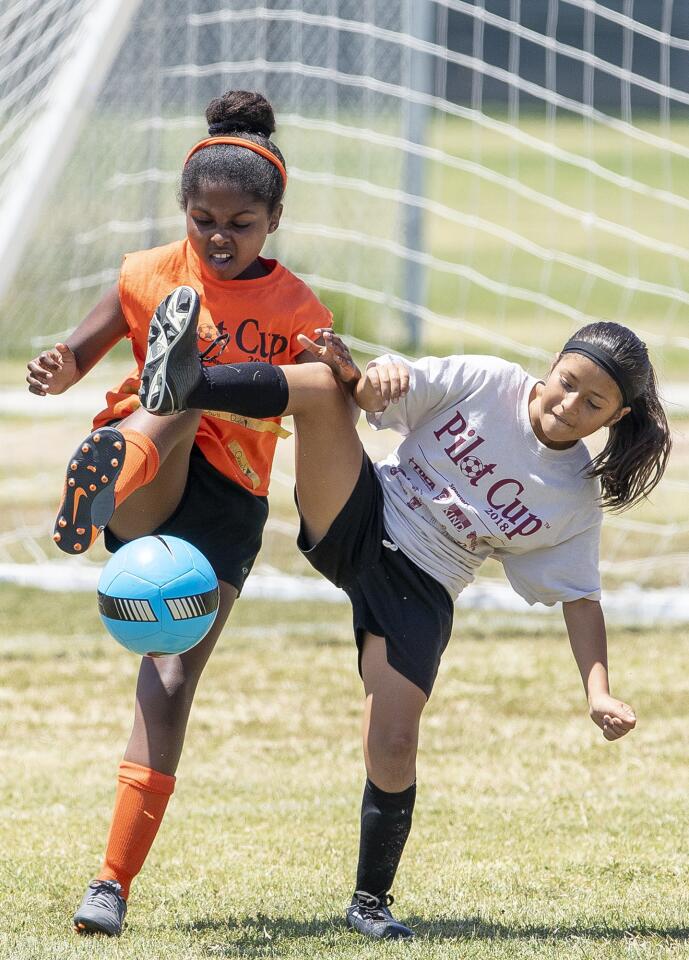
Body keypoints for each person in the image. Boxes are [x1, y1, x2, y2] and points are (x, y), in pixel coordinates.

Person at [139, 313, 671, 940]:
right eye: (568, 381)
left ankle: (370, 901)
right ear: (553, 364)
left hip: (421, 588)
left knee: (392, 746)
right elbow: (369, 397)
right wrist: (363, 374)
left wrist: (598, 691)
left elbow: (581, 599)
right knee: (317, 386)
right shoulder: (488, 380)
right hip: (365, 512)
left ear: (614, 419)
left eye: (594, 402)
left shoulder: (572, 498)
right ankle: (185, 384)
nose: (569, 404)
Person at [25, 90, 332, 936]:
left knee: (168, 683)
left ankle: (110, 884)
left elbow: (323, 399)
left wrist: (340, 371)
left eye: (239, 221)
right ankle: (115, 464)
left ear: (274, 219)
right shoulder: (147, 274)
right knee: (175, 397)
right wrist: (58, 366)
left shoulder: (299, 311)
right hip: (145, 467)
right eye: (202, 220)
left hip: (227, 502)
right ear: (182, 213)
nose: (218, 236)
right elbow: (82, 351)